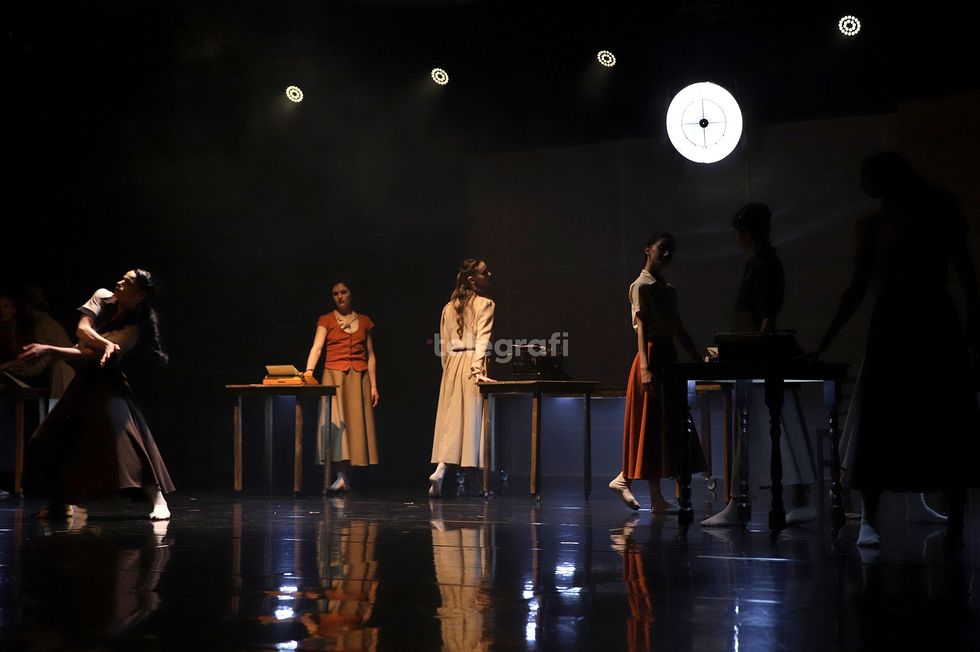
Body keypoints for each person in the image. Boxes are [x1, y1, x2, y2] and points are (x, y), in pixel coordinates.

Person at [813, 152, 980, 547]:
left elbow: (859, 287)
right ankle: (936, 520)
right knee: (920, 417)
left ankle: (889, 518)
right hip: (922, 322)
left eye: (867, 176)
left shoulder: (904, 217)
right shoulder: (894, 219)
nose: (862, 185)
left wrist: (824, 342)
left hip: (910, 324)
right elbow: (964, 270)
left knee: (908, 417)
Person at [13, 269, 174, 520]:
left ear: (140, 295)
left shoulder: (131, 331)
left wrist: (49, 349)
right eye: (122, 278)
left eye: (128, 282)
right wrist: (106, 343)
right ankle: (60, 503)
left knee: (125, 440)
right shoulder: (102, 295)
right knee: (52, 437)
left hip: (107, 383)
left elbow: (88, 356)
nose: (120, 282)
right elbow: (82, 329)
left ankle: (158, 499)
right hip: (83, 382)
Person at [701, 203, 817, 527]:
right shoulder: (762, 263)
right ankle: (788, 497)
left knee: (756, 428)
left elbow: (766, 316)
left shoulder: (764, 266)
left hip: (758, 357)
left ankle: (744, 501)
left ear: (746, 234)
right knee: (769, 428)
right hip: (758, 354)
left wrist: (752, 344)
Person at [608, 234, 706, 513]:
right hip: (651, 357)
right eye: (662, 248)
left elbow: (679, 328)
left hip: (668, 357)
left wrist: (698, 360)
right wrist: (644, 367)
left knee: (664, 424)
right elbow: (642, 328)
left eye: (670, 250)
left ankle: (633, 484)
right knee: (652, 423)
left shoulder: (668, 289)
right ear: (648, 250)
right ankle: (649, 494)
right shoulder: (641, 286)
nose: (666, 254)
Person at [303, 281, 379, 492]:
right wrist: (309, 371)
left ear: (351, 294)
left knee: (354, 425)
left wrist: (373, 385)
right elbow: (317, 348)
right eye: (335, 293)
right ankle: (341, 475)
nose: (339, 296)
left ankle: (347, 478)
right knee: (336, 423)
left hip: (359, 377)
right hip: (333, 376)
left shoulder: (364, 321)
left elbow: (371, 355)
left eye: (343, 292)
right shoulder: (326, 320)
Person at [428, 259, 494, 498]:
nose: (489, 274)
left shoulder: (448, 307)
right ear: (472, 279)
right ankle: (470, 479)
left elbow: (444, 347)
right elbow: (483, 339)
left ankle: (443, 471)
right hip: (472, 364)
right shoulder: (485, 304)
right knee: (472, 421)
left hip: (453, 366)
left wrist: (448, 372)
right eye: (484, 272)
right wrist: (477, 370)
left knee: (453, 422)